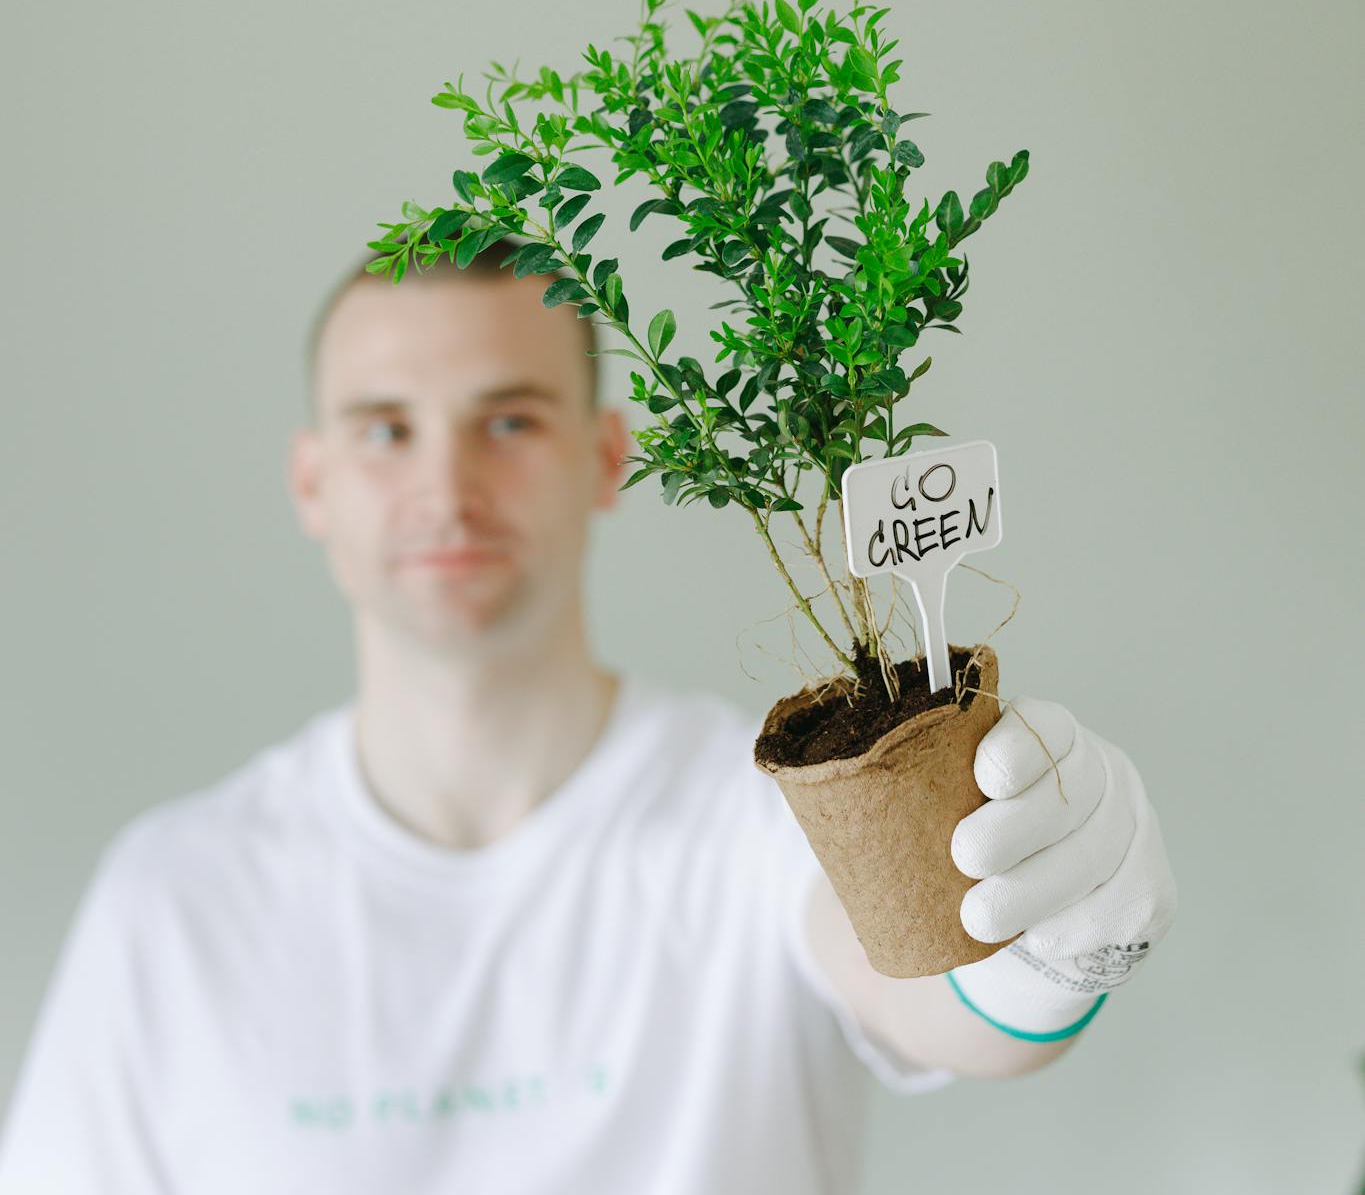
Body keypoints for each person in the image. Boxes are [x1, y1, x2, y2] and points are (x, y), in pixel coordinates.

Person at [0, 239, 1176, 1193]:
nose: (447, 486)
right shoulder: (175, 899)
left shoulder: (748, 817)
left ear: (607, 455)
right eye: (385, 427)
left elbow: (939, 1007)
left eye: (509, 419)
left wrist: (1054, 953)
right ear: (313, 480)